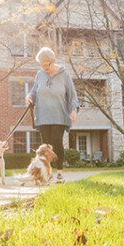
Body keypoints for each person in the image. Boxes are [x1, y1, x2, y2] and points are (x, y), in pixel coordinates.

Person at [26, 46, 79, 183]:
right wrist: (29, 97)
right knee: (45, 146)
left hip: (59, 115)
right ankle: (47, 173)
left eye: (46, 64)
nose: (44, 68)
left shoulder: (64, 74)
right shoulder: (40, 75)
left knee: (56, 141)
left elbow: (73, 96)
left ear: (53, 61)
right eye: (41, 65)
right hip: (43, 116)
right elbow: (33, 92)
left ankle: (60, 172)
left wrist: (73, 110)